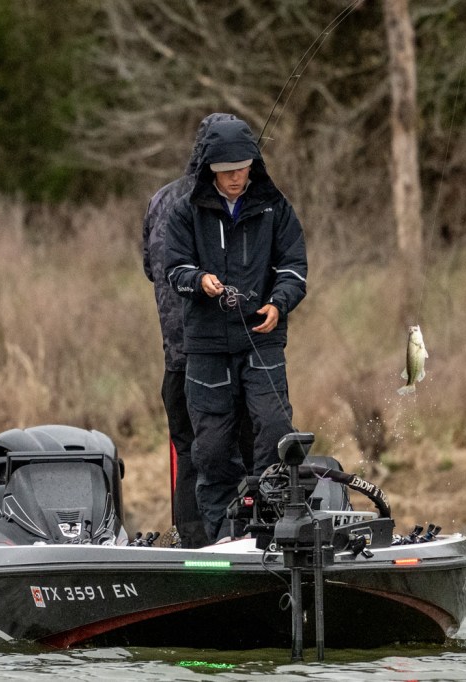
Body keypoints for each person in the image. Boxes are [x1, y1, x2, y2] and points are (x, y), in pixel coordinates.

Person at [165, 117, 308, 542]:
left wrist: (278, 303)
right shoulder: (184, 210)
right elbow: (173, 269)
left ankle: (269, 523)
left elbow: (294, 268)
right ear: (210, 169)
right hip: (206, 347)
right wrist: (199, 281)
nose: (234, 178)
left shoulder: (276, 208)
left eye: (242, 169)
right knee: (210, 449)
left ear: (252, 165)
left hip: (262, 339)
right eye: (226, 171)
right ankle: (224, 533)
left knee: (275, 428)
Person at [142, 113, 253, 549]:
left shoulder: (159, 199)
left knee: (190, 454)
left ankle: (192, 548)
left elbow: (151, 268)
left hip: (175, 360)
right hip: (221, 358)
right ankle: (239, 541)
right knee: (238, 453)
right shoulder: (223, 203)